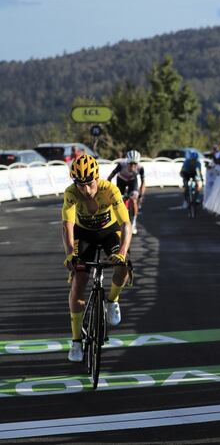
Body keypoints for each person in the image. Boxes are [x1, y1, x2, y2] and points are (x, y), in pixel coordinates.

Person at [62, 155, 132, 362]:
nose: (86, 190)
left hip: (109, 232)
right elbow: (67, 225)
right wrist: (70, 255)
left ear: (97, 178)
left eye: (90, 183)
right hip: (84, 235)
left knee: (123, 266)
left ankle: (112, 300)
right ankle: (76, 341)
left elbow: (126, 224)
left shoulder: (110, 190)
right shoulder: (71, 193)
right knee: (79, 281)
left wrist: (122, 253)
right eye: (80, 185)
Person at [107, 150, 146, 234]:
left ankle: (133, 223)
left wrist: (141, 195)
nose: (132, 166)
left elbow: (143, 182)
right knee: (119, 201)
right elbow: (110, 177)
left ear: (137, 163)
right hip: (121, 180)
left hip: (132, 181)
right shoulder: (121, 164)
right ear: (127, 162)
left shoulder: (140, 167)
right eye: (130, 164)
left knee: (134, 199)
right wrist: (108, 190)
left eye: (134, 164)